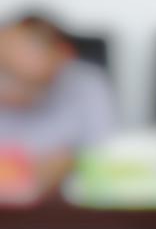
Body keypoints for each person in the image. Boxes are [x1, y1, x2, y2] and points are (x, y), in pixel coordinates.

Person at [0, 14, 117, 155]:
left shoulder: (88, 85)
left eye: (27, 84)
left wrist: (69, 161)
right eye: (4, 72)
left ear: (64, 55)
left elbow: (104, 151)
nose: (9, 89)